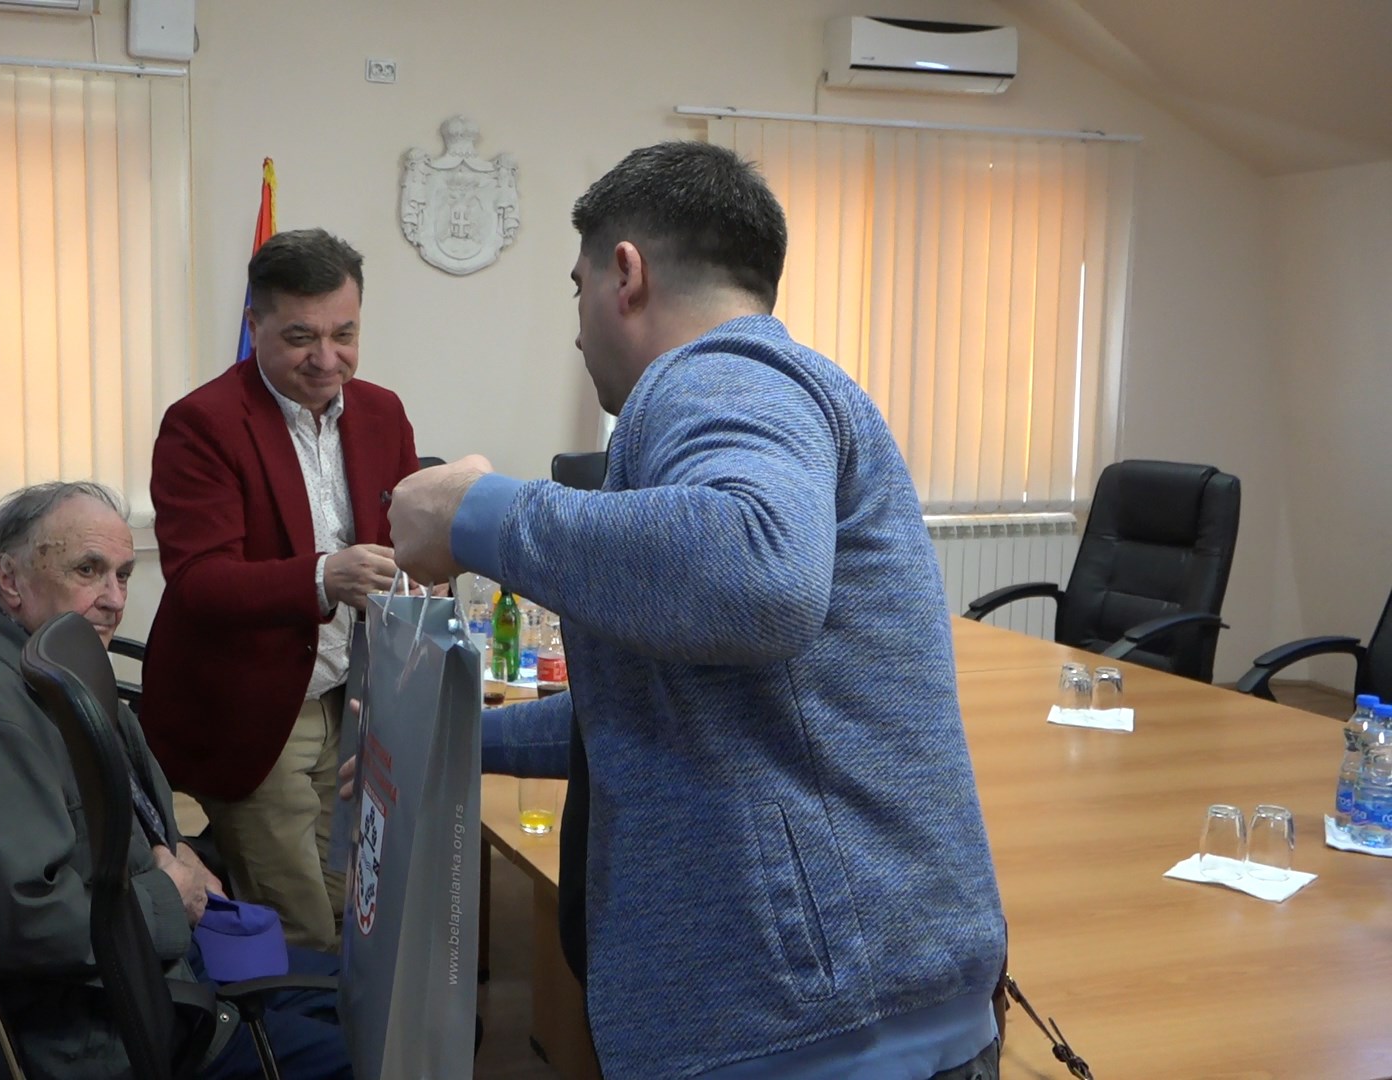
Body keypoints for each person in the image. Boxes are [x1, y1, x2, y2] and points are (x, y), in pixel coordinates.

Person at [383, 142, 1007, 1079]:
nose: (577, 331)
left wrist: (472, 512)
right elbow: (659, 711)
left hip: (819, 1036)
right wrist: (458, 732)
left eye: (577, 288)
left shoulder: (720, 374)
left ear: (625, 274)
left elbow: (759, 576)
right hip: (852, 1015)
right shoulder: (763, 386)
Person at [0, 480, 350, 1079]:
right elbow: (24, 922)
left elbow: (122, 819)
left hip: (157, 966)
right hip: (106, 1027)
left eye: (122, 575)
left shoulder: (56, 663)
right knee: (381, 1050)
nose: (114, 600)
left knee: (372, 1000)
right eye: (88, 570)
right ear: (10, 579)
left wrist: (179, 854)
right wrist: (171, 895)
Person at [144, 229, 422, 952]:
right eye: (301, 337)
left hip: (349, 699)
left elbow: (405, 538)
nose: (327, 359)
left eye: (344, 334)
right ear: (255, 324)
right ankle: (281, 1020)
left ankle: (323, 1013)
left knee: (350, 909)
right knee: (301, 929)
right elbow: (199, 581)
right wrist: (324, 576)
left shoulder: (383, 413)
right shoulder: (202, 424)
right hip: (254, 710)